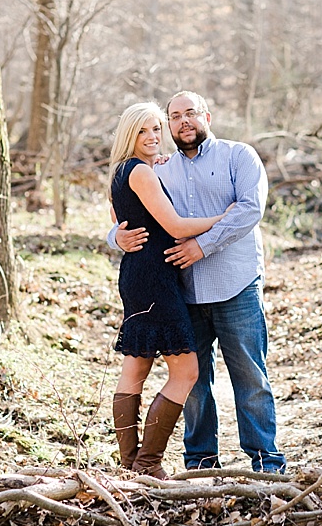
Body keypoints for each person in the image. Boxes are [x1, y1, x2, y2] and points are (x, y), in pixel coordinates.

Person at [109, 91, 286, 473]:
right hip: (183, 288)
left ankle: (265, 462)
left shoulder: (239, 156)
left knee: (249, 377)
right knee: (193, 382)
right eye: (174, 117)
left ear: (207, 115)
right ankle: (200, 461)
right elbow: (124, 213)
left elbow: (250, 210)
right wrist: (115, 238)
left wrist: (201, 247)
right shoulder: (157, 167)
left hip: (234, 284)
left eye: (190, 113)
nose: (182, 122)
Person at [107, 102, 231, 479]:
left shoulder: (121, 171)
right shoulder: (141, 173)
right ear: (130, 134)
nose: (153, 137)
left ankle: (130, 464)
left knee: (136, 365)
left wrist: (120, 236)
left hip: (137, 275)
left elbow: (118, 220)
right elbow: (176, 227)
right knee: (187, 371)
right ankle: (148, 462)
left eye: (157, 129)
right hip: (155, 280)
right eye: (144, 131)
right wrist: (225, 217)